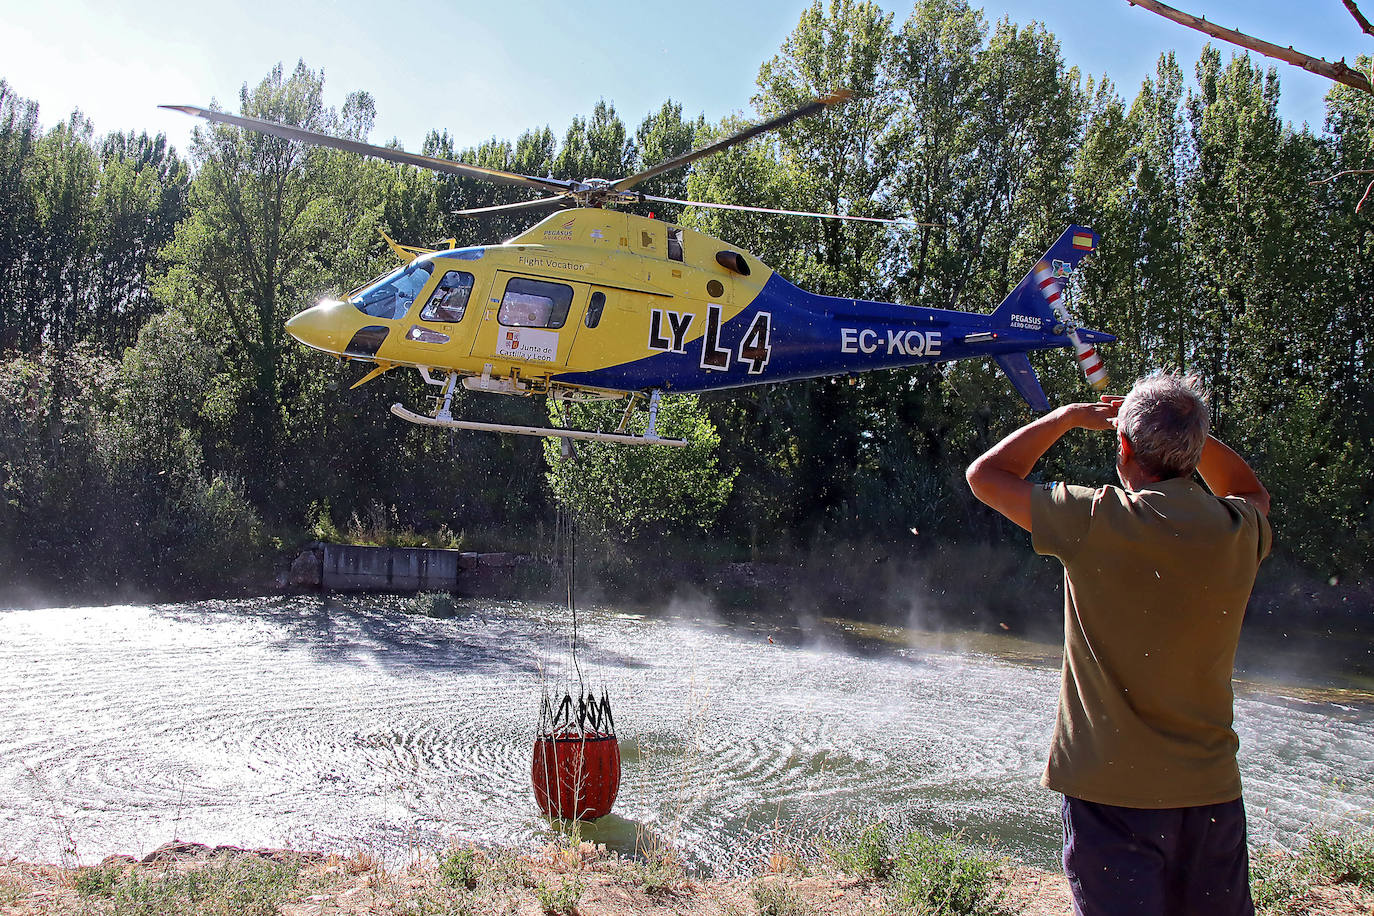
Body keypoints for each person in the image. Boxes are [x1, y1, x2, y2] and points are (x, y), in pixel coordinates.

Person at [965, 370, 1271, 916]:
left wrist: (1067, 418)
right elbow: (1251, 491)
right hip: (1211, 795)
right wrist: (1187, 439)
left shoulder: (1095, 518)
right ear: (1193, 451)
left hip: (1112, 794)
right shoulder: (1235, 528)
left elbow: (986, 475)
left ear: (1123, 446)